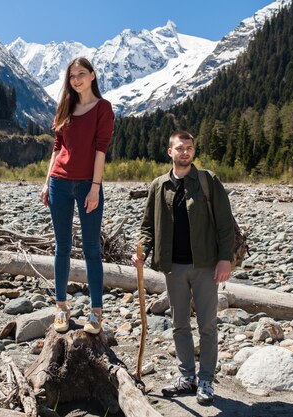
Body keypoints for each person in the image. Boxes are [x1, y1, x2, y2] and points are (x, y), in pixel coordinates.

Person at [131, 131, 234, 405]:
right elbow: (147, 227)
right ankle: (187, 376)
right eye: (180, 148)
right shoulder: (158, 185)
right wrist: (142, 250)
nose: (185, 152)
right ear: (170, 152)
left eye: (189, 148)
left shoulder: (208, 181)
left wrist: (226, 259)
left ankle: (206, 381)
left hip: (205, 265)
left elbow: (225, 224)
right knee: (179, 325)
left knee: (207, 326)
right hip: (173, 267)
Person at [40, 57, 114, 335]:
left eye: (82, 74)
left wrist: (95, 186)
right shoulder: (65, 107)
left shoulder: (103, 108)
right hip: (59, 182)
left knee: (92, 249)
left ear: (93, 76)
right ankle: (61, 307)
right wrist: (47, 182)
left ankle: (96, 313)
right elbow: (56, 148)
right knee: (62, 247)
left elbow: (100, 149)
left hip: (87, 185)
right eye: (72, 76)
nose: (76, 79)